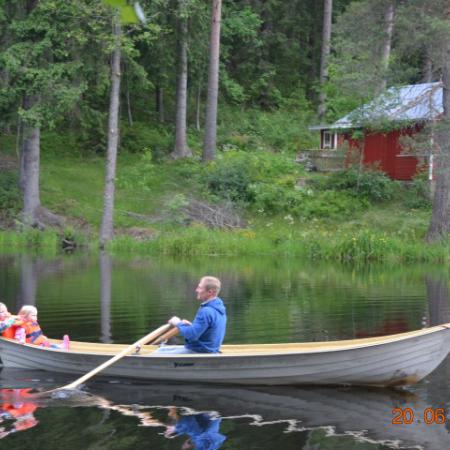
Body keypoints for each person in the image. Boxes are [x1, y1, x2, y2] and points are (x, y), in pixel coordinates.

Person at [154, 276, 226, 354]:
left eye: (200, 288)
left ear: (210, 292)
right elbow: (207, 331)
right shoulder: (218, 307)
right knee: (161, 349)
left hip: (201, 351)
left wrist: (178, 323)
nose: (196, 290)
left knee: (157, 353)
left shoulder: (206, 311)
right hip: (208, 349)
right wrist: (190, 326)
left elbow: (192, 335)